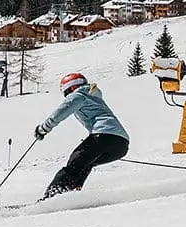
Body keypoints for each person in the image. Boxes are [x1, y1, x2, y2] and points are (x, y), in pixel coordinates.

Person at [32, 72, 130, 200]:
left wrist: (43, 128)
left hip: (104, 135)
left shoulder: (78, 95)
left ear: (72, 88)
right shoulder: (93, 96)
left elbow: (62, 111)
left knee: (74, 163)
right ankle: (74, 191)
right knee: (84, 163)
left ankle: (52, 197)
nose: (66, 96)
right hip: (121, 143)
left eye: (66, 92)